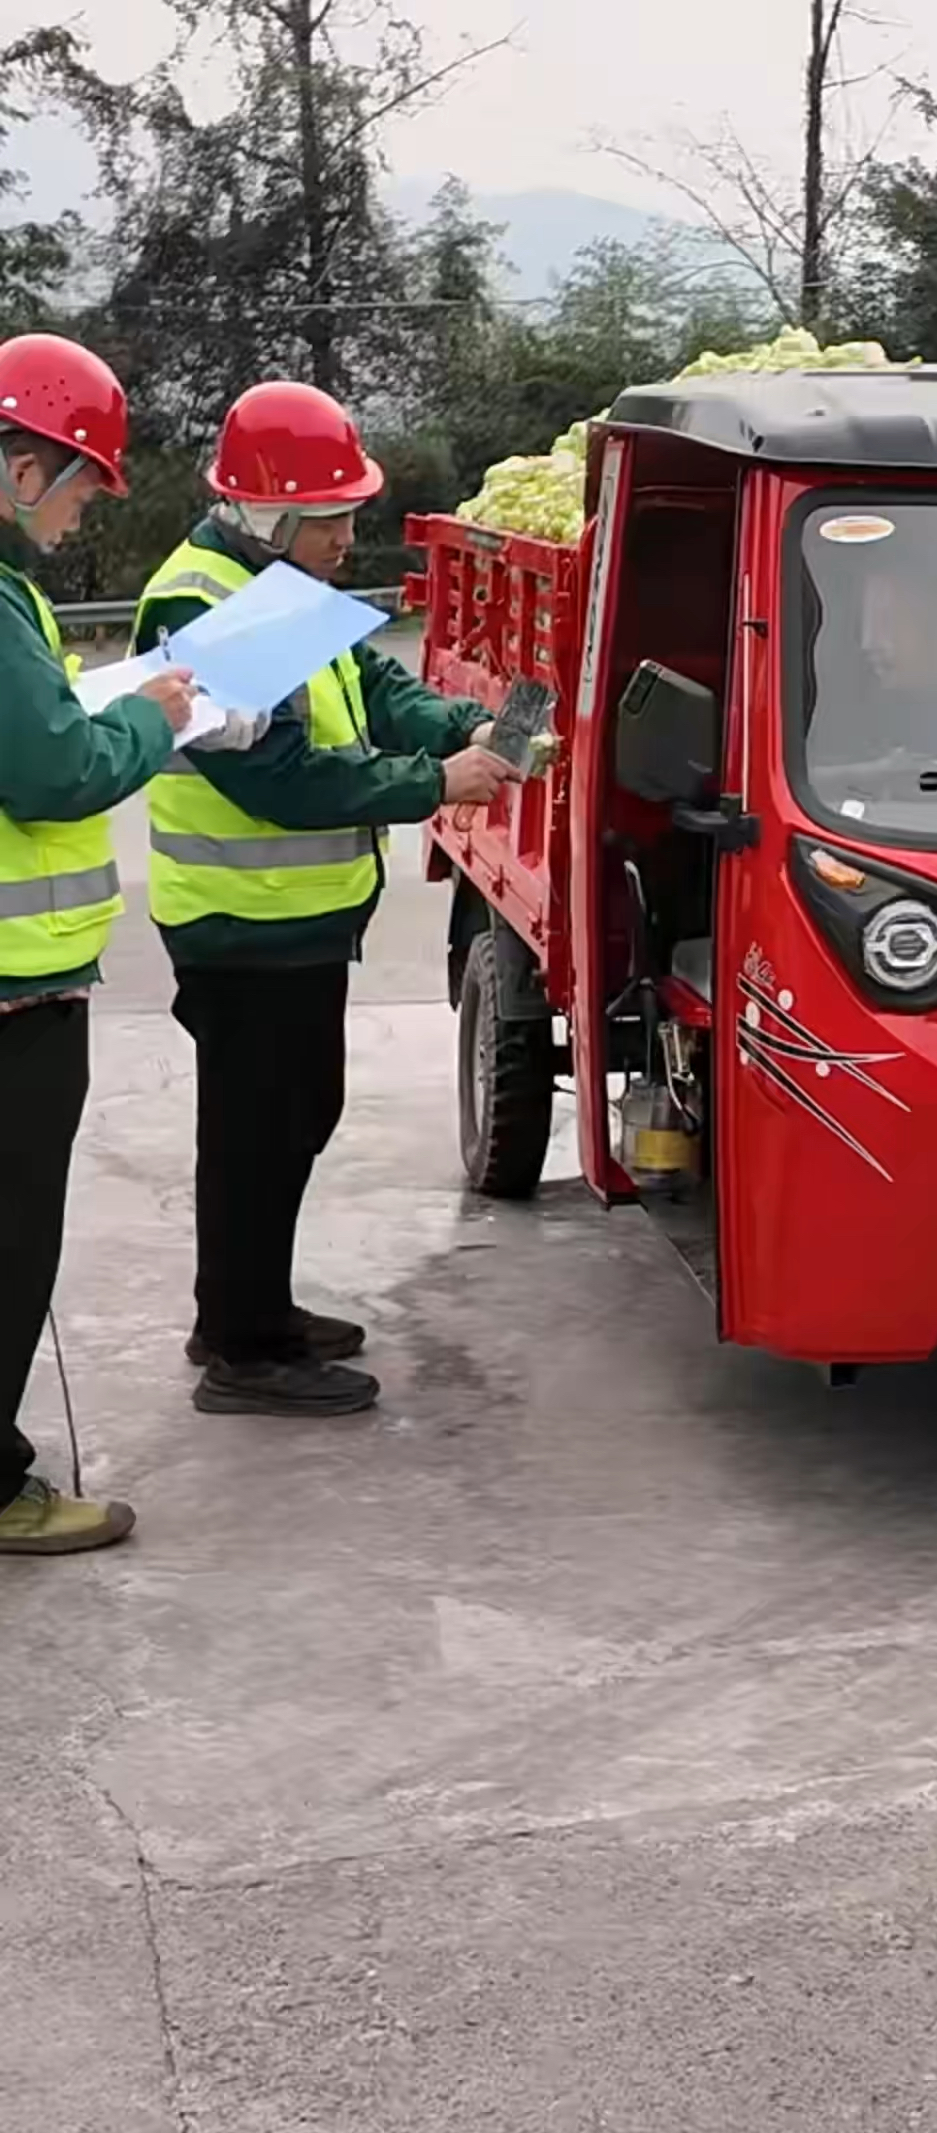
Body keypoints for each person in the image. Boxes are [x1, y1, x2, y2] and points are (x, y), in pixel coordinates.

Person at [133, 380, 514, 1417]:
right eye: (330, 517)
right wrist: (436, 783)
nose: (349, 536)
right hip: (242, 925)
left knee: (291, 1116)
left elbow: (372, 688)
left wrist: (460, 728)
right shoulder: (206, 603)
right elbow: (278, 779)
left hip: (292, 924)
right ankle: (246, 1352)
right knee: (258, 1132)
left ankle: (246, 1310)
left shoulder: (278, 583)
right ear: (268, 515)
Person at [0, 336, 196, 1555]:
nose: (82, 515)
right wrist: (150, 719)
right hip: (12, 997)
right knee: (9, 1242)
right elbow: (54, 772)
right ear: (24, 468)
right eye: (82, 488)